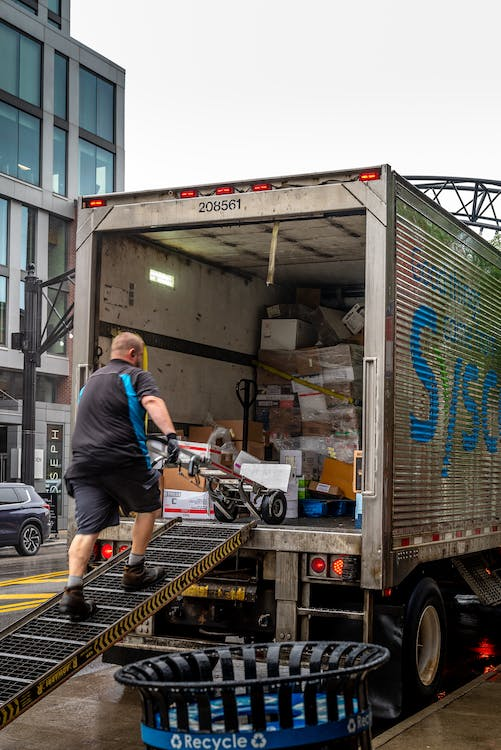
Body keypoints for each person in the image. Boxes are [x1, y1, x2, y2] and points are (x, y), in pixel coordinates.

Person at [60, 331, 179, 622]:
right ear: (133, 354)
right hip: (123, 458)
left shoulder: (90, 383)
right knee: (150, 505)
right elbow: (152, 402)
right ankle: (134, 570)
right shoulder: (136, 375)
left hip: (83, 464)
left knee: (87, 529)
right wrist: (172, 437)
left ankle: (73, 591)